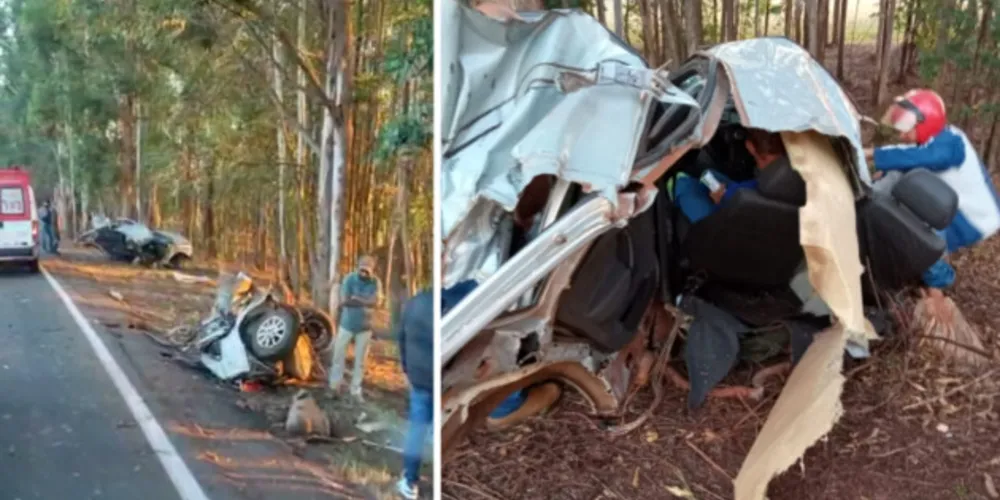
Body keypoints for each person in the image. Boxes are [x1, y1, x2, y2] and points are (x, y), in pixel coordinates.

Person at [864, 89, 1000, 288]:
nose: (902, 134)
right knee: (896, 178)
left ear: (927, 122)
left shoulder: (952, 144)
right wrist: (876, 160)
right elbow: (909, 153)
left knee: (916, 222)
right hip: (951, 205)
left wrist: (875, 156)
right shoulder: (936, 139)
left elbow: (925, 157)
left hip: (971, 217)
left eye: (907, 127)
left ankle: (940, 280)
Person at [671, 128, 789, 223]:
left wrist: (719, 201)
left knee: (684, 186)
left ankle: (679, 185)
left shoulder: (741, 193)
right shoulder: (791, 177)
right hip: (747, 204)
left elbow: (733, 218)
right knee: (711, 175)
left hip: (727, 223)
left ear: (750, 146)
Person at [328, 255, 382, 401]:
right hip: (347, 325)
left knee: (360, 361)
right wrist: (365, 302)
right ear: (357, 267)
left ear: (372, 270)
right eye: (362, 270)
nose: (364, 273)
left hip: (365, 327)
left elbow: (376, 302)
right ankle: (334, 386)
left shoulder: (376, 282)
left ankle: (355, 390)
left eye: (367, 271)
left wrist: (357, 299)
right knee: (338, 356)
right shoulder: (349, 279)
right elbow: (345, 301)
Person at [395, 289, 432, 500]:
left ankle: (410, 482)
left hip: (419, 376)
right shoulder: (457, 298)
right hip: (444, 376)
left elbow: (402, 337)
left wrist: (407, 367)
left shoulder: (416, 302)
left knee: (417, 428)